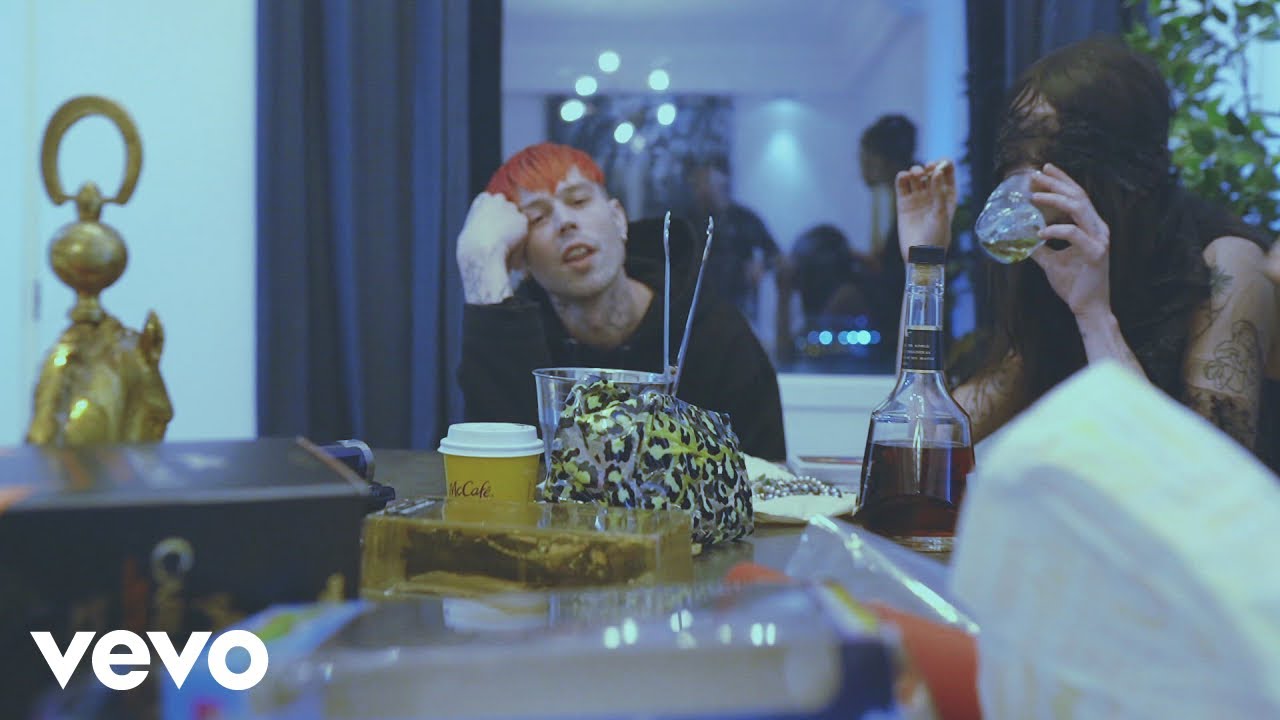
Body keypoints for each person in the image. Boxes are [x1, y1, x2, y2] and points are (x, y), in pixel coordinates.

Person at [896, 37, 1277, 464]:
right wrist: (923, 263)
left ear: (1120, 163)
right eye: (1016, 150)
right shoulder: (1057, 256)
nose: (1028, 175)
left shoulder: (1227, 262)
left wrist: (1094, 315)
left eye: (1053, 149)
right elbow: (923, 440)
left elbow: (1209, 479)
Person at [456, 142, 787, 460]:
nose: (565, 222)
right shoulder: (514, 344)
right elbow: (501, 474)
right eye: (538, 218)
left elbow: (766, 477)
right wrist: (480, 264)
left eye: (579, 201)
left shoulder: (716, 335)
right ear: (520, 258)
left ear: (618, 218)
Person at [686, 155, 781, 325]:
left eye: (708, 183)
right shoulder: (686, 219)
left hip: (738, 302)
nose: (703, 189)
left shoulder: (745, 219)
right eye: (699, 184)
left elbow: (775, 254)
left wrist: (761, 266)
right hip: (696, 304)